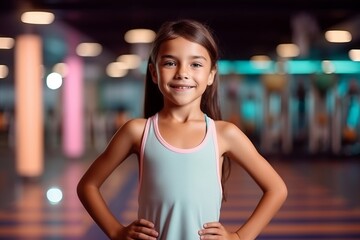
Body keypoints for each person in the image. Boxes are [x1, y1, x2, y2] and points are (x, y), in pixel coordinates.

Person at [77, 19, 287, 240]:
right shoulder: (137, 131)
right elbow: (88, 186)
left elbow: (277, 189)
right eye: (170, 63)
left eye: (195, 64)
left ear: (211, 75)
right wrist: (116, 231)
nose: (182, 73)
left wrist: (239, 237)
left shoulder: (224, 134)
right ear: (154, 72)